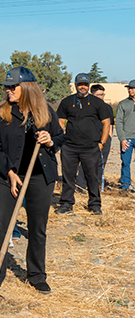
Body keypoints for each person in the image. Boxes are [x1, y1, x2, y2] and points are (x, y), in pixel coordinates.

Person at [0, 67, 65, 295]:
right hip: (9, 177)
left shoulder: (45, 111)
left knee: (38, 227)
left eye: (12, 87)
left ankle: (36, 275)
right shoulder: (1, 113)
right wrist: (10, 172)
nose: (8, 91)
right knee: (0, 225)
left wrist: (49, 141)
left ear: (26, 87)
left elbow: (60, 136)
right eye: (6, 87)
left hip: (40, 177)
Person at [54, 73, 111, 215]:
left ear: (89, 86)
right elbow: (60, 121)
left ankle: (95, 204)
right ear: (75, 85)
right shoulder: (67, 102)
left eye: (85, 85)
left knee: (92, 177)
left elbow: (106, 123)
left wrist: (102, 143)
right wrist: (62, 140)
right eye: (80, 84)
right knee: (68, 177)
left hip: (91, 147)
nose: (83, 87)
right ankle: (66, 204)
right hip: (70, 147)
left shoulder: (98, 103)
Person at [76, 84, 114, 191]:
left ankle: (95, 186)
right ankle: (81, 186)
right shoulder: (86, 106)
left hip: (104, 138)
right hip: (89, 138)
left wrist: (109, 137)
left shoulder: (107, 108)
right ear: (92, 94)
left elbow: (110, 123)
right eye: (98, 95)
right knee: (86, 162)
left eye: (102, 94)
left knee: (101, 163)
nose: (101, 97)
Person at [116, 79, 135, 195]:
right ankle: (125, 185)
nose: (130, 90)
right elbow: (119, 122)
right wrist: (122, 138)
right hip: (127, 138)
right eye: (129, 88)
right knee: (125, 162)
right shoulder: (123, 104)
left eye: (132, 88)